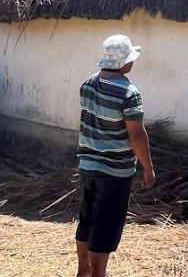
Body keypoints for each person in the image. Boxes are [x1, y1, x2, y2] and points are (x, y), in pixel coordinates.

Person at [75, 35, 155, 277]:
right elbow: (137, 136)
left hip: (87, 165)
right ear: (124, 63)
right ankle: (98, 273)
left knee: (87, 219)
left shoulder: (88, 84)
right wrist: (148, 167)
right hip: (114, 170)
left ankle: (83, 271)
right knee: (106, 223)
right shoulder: (129, 92)